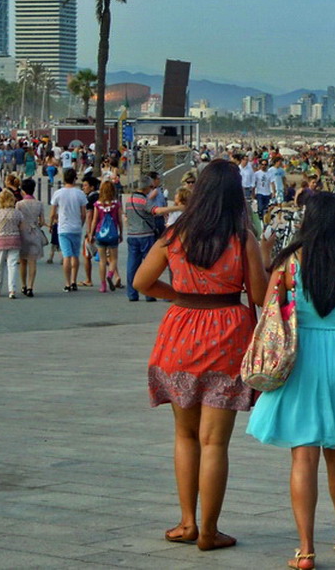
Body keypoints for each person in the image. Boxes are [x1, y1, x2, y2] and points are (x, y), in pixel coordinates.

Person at [132, 159, 268, 553]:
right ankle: (210, 530)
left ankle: (187, 522)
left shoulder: (175, 235)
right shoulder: (242, 238)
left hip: (181, 333)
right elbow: (258, 296)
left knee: (185, 435)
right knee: (214, 443)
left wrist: (180, 296)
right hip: (228, 334)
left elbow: (142, 281)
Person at [246, 192, 335, 570]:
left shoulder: (287, 264)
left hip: (299, 356)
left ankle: (305, 549)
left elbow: (268, 311)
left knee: (303, 455)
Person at [49, 167, 89, 291]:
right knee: (75, 255)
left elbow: (52, 213)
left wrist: (52, 224)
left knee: (66, 255)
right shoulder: (80, 193)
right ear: (75, 179)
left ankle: (67, 283)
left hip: (63, 228)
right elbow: (84, 213)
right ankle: (74, 281)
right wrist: (81, 224)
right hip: (76, 227)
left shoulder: (58, 193)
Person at [125, 175, 160, 301]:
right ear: (146, 188)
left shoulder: (129, 199)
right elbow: (155, 211)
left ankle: (132, 293)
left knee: (132, 265)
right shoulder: (145, 201)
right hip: (146, 234)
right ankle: (149, 293)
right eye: (151, 187)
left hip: (132, 235)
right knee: (149, 265)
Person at [87, 180, 123, 292]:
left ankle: (103, 286)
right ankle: (110, 274)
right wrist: (120, 233)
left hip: (100, 233)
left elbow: (94, 220)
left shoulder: (98, 204)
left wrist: (91, 234)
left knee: (102, 260)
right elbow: (120, 220)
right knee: (113, 259)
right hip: (112, 234)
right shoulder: (116, 204)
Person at [0, 189, 23, 298]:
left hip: (1, 240)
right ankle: (12, 290)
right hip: (14, 239)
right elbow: (21, 228)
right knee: (12, 265)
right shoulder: (17, 213)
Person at [15, 178, 46, 297]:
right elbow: (42, 221)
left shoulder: (19, 204)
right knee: (32, 261)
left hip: (23, 233)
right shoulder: (39, 204)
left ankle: (23, 285)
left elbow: (17, 220)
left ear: (23, 190)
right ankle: (30, 287)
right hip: (35, 233)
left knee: (22, 261)